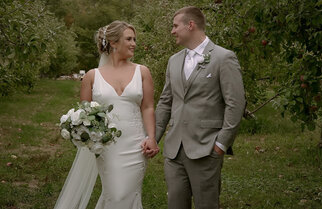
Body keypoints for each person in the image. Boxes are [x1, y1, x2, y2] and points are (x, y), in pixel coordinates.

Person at [54, 20, 159, 209]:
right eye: (129, 39)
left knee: (127, 195)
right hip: (107, 147)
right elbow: (84, 114)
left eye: (134, 39)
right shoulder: (92, 76)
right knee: (115, 195)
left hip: (136, 145)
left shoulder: (142, 71)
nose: (134, 43)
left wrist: (151, 137)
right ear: (113, 42)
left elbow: (148, 107)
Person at [153, 6, 246, 209]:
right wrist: (154, 137)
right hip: (174, 150)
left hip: (206, 148)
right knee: (175, 204)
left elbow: (235, 103)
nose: (172, 31)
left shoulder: (223, 57)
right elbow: (166, 101)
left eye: (175, 26)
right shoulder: (173, 61)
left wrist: (221, 144)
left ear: (191, 25)